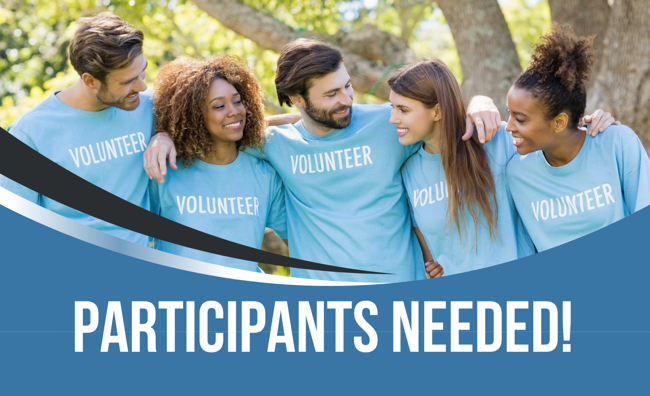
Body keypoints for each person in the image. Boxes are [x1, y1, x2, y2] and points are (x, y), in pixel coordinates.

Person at [145, 38, 508, 282]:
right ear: (297, 99)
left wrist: (479, 102)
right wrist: (164, 134)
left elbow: (437, 115)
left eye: (347, 86)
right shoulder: (273, 145)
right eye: (332, 94)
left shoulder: (390, 123)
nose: (347, 99)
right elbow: (220, 129)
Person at [0, 12, 153, 245]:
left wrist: (163, 136)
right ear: (90, 80)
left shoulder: (151, 108)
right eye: (127, 82)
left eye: (142, 71)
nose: (141, 86)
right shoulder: (29, 135)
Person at [505, 26, 650, 252]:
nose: (509, 126)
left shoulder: (616, 143)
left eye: (521, 119)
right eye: (509, 114)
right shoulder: (517, 173)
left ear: (559, 122)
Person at [149, 55, 287, 272]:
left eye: (238, 101)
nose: (233, 111)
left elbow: (298, 242)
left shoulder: (265, 176)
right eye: (219, 105)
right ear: (194, 115)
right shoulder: (165, 172)